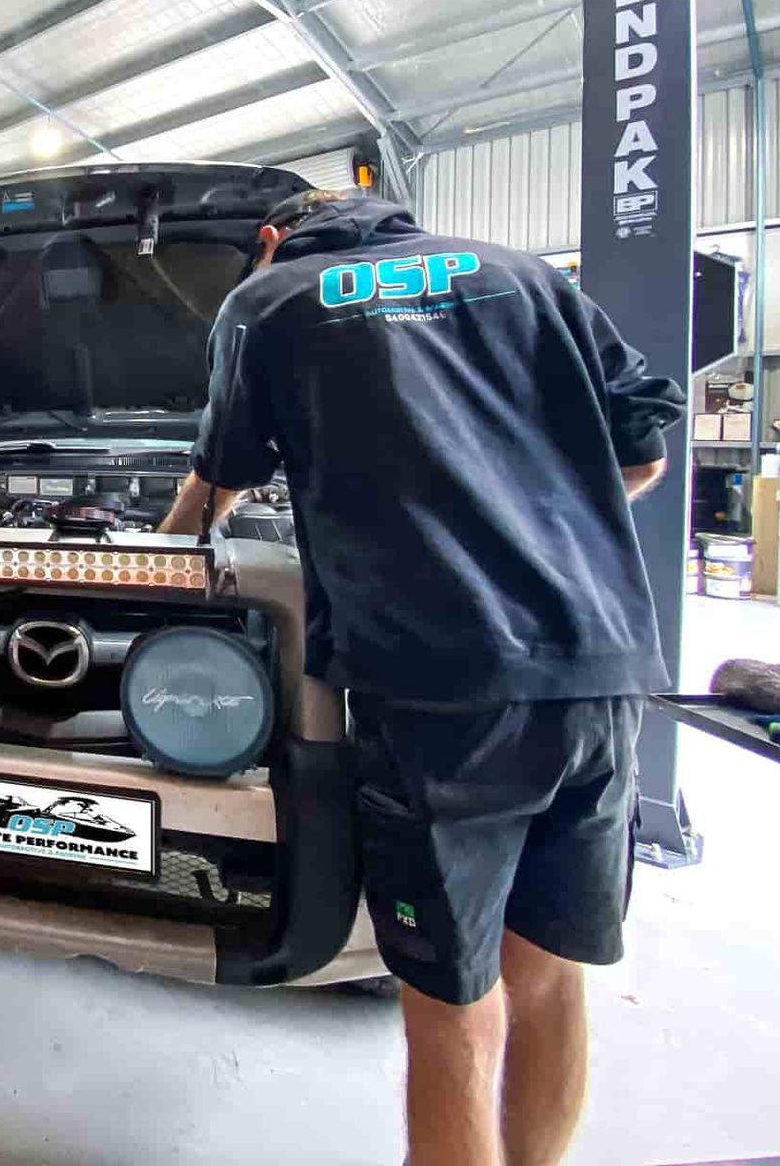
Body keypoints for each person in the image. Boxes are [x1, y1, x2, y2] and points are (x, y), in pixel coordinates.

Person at [160, 189, 684, 1166]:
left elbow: (218, 480)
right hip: (596, 666)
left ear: (273, 238)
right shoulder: (526, 275)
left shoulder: (272, 299)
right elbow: (644, 451)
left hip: (439, 688)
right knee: (549, 973)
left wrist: (156, 572)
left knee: (448, 1004)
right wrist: (525, 516)